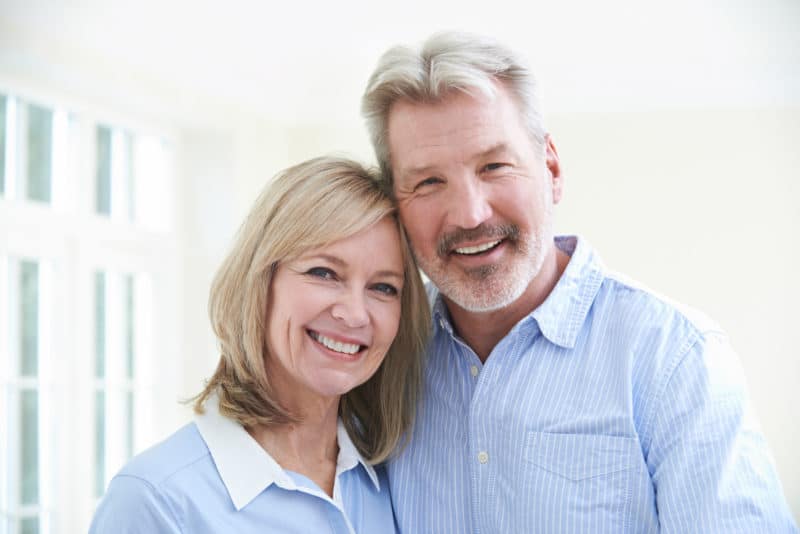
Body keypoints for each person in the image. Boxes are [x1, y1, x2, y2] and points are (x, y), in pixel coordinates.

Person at [361, 32, 798, 533]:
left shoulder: (674, 358)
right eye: (428, 182)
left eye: (494, 166)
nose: (470, 213)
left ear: (551, 168)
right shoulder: (380, 353)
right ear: (395, 203)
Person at [89, 156, 430, 533]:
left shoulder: (392, 480)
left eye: (383, 287)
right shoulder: (156, 500)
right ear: (261, 282)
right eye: (324, 273)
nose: (355, 314)